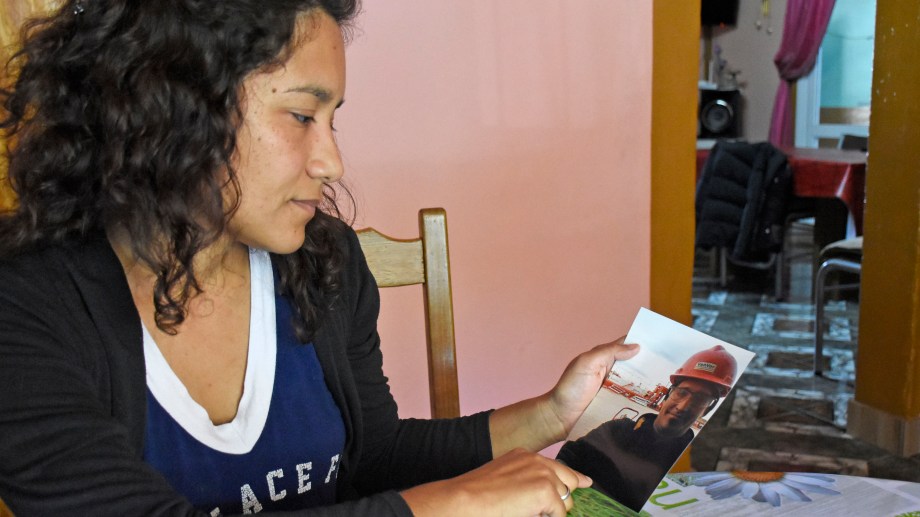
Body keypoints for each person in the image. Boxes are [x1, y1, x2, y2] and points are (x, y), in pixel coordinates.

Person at [0, 1, 641, 515]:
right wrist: (455, 504)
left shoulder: (323, 261)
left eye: (332, 120)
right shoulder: (25, 307)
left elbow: (374, 459)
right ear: (170, 106)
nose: (331, 161)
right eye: (302, 115)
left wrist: (552, 414)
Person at [556, 345, 738, 511]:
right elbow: (565, 459)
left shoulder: (692, 468)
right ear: (668, 393)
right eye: (682, 393)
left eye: (700, 399)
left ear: (708, 409)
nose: (683, 407)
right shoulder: (617, 430)